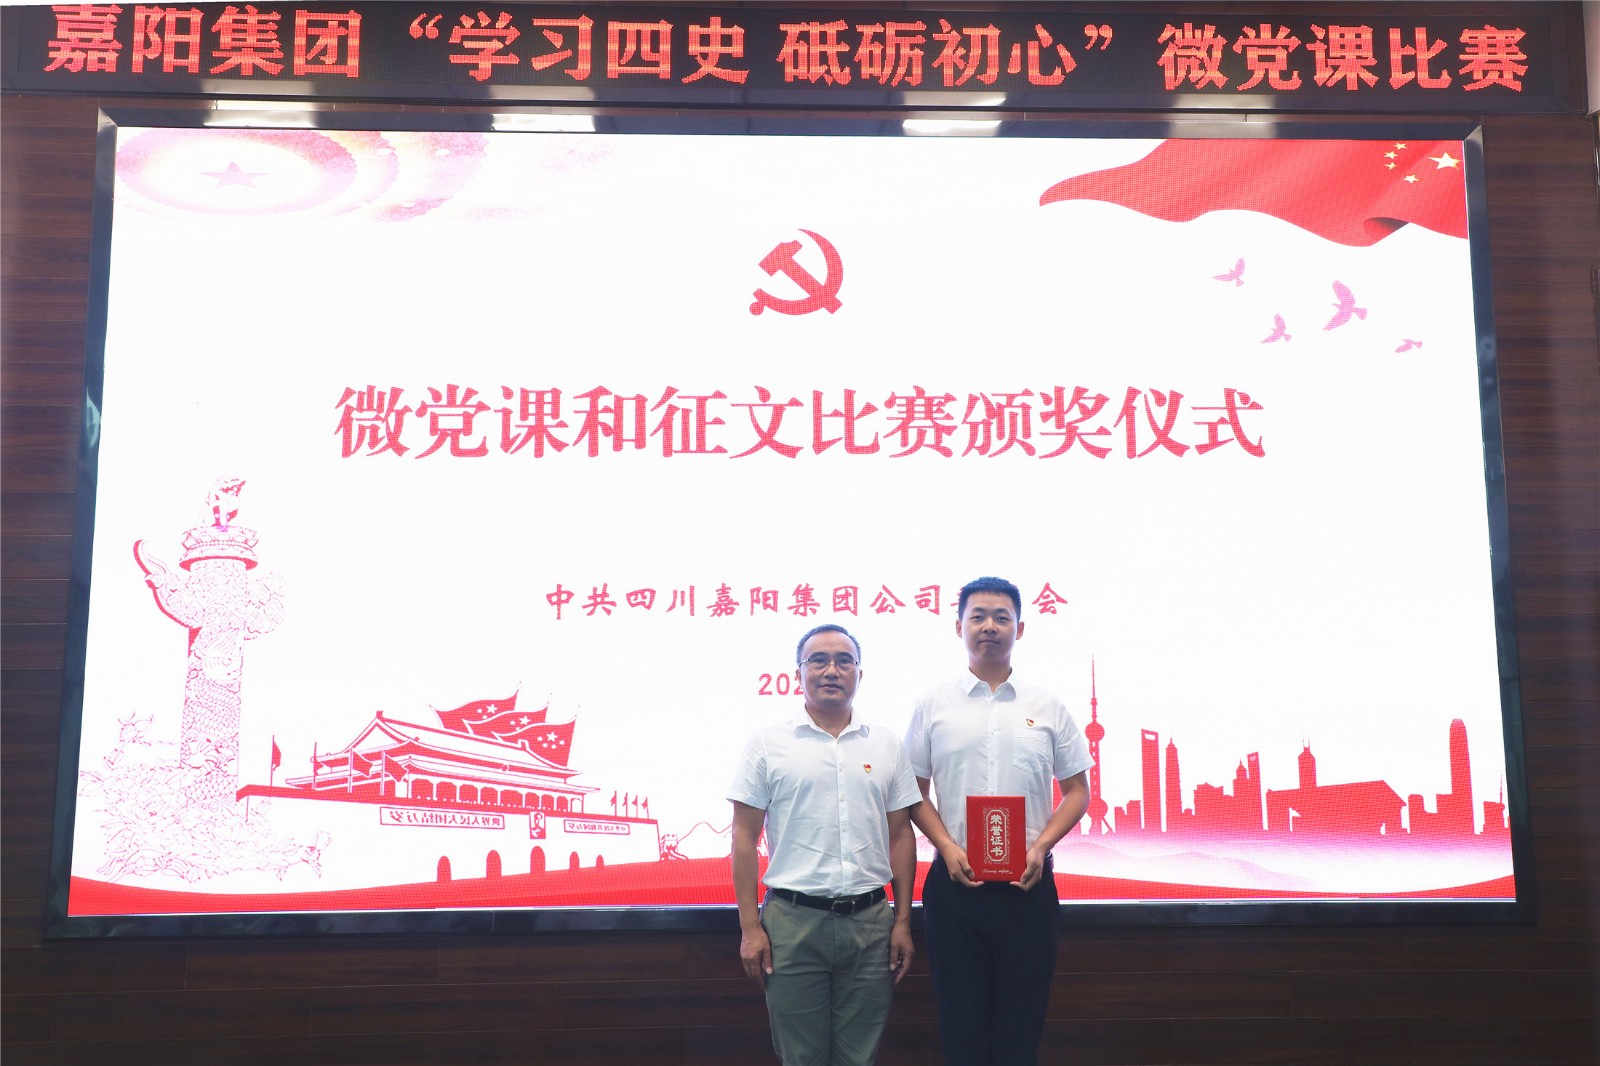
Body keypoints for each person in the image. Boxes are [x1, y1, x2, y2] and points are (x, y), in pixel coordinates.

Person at [904, 576, 1092, 1066]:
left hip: (1028, 888)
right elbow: (912, 794)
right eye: (978, 617)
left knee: (1021, 1025)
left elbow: (1078, 792)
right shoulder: (932, 704)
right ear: (959, 626)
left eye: (1001, 617)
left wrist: (1041, 846)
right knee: (960, 1024)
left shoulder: (1047, 705)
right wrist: (946, 845)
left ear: (1019, 629)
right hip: (954, 887)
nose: (989, 626)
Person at [728, 623, 921, 1066]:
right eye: (818, 660)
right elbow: (743, 837)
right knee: (802, 1057)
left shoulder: (886, 744)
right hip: (792, 925)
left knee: (860, 1057)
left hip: (871, 924)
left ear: (859, 673)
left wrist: (902, 921)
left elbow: (900, 835)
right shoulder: (767, 744)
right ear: (798, 672)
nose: (831, 670)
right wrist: (750, 927)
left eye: (843, 661)